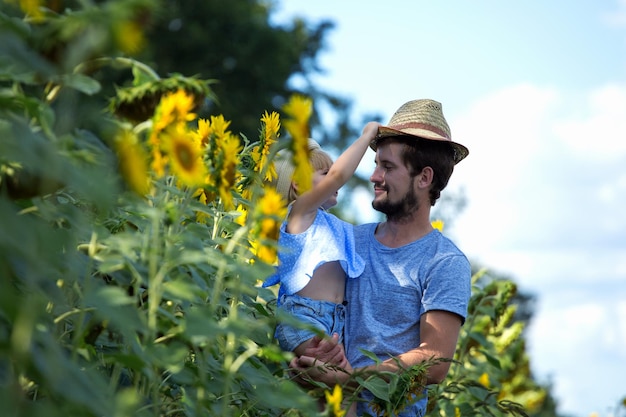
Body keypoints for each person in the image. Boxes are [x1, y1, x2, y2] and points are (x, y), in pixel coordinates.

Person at [289, 99, 472, 417]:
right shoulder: (348, 241)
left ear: (424, 178)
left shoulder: (444, 261)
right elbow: (309, 311)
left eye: (387, 167)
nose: (374, 176)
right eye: (375, 164)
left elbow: (435, 361)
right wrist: (303, 362)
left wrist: (348, 381)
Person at [263, 122, 380, 360]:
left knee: (330, 392)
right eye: (325, 174)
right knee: (331, 381)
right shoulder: (300, 213)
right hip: (303, 318)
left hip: (335, 320)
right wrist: (367, 135)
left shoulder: (330, 225)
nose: (333, 179)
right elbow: (339, 176)